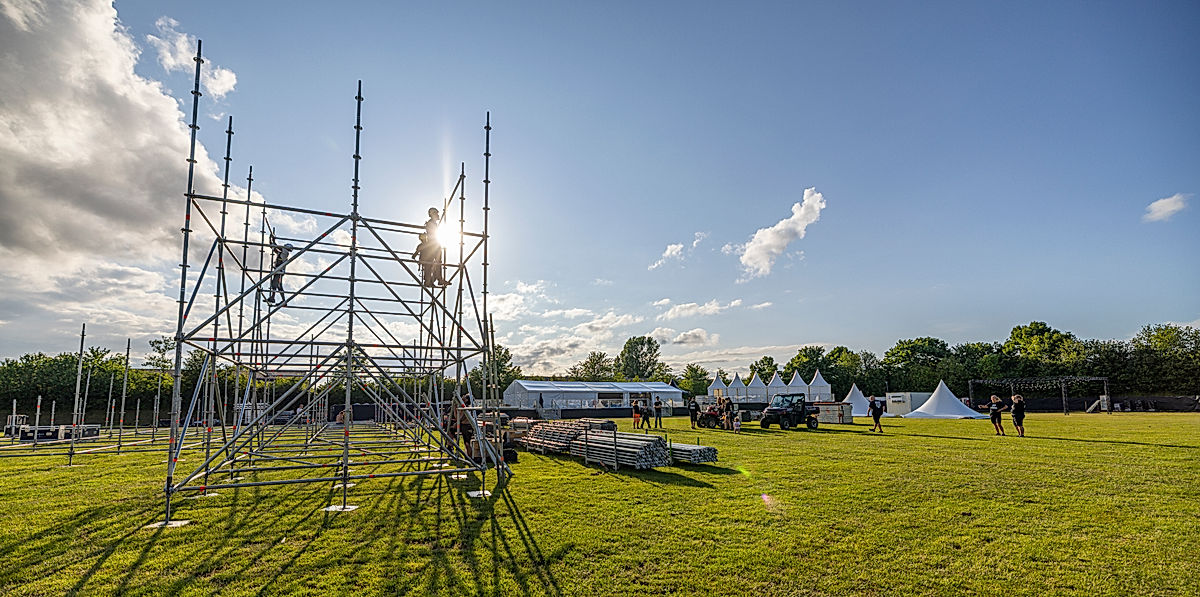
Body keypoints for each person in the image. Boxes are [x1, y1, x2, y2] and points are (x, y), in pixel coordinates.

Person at [412, 207, 449, 287]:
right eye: (436, 213)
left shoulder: (432, 223)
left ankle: (437, 279)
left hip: (434, 244)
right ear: (433, 214)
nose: (438, 215)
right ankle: (431, 281)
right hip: (433, 245)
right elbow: (431, 235)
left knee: (436, 262)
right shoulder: (430, 223)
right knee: (431, 263)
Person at [265, 235, 293, 304]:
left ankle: (275, 299)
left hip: (279, 271)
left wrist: (273, 240)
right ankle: (275, 298)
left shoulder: (285, 253)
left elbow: (277, 247)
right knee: (277, 285)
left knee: (276, 285)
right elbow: (274, 247)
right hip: (278, 271)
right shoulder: (282, 253)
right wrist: (271, 240)